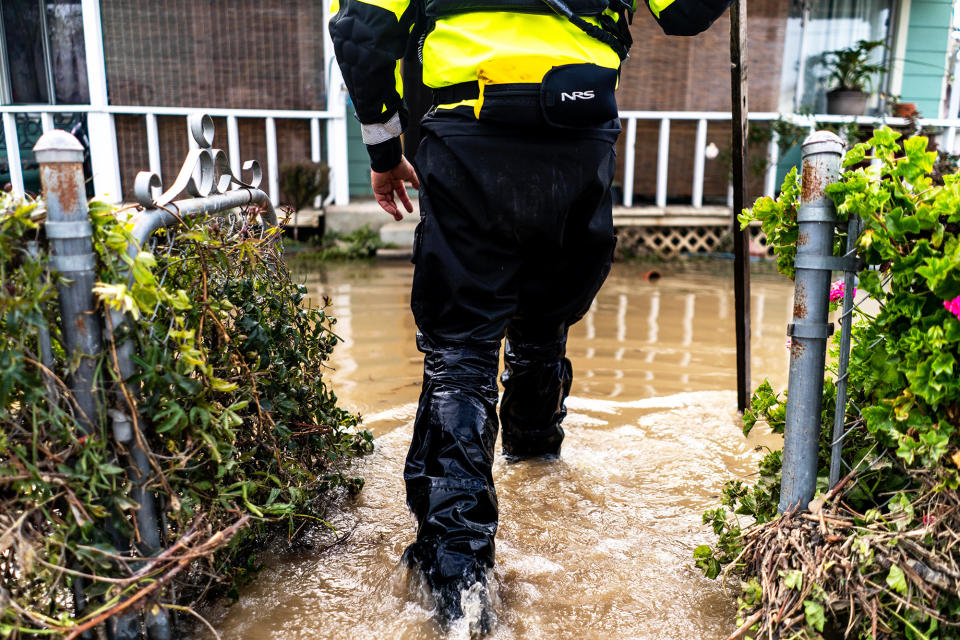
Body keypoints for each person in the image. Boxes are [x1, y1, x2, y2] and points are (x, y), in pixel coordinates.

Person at [329, 0, 732, 632]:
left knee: (461, 352)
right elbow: (686, 12)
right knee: (543, 328)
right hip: (578, 135)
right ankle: (539, 465)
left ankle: (460, 585)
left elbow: (361, 30)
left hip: (468, 132)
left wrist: (384, 151)